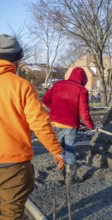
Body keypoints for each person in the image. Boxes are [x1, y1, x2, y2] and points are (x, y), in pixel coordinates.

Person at [0, 34, 64, 219]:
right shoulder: (21, 86)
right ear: (17, 60)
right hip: (13, 164)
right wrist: (55, 150)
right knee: (11, 213)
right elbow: (40, 123)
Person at [43, 67, 94, 186]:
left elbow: (45, 100)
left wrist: (56, 111)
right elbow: (84, 113)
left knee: (58, 150)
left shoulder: (58, 84)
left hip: (54, 123)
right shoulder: (82, 90)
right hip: (70, 126)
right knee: (70, 152)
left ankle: (60, 173)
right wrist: (90, 126)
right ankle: (70, 180)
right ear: (82, 79)